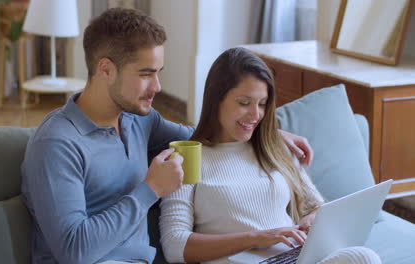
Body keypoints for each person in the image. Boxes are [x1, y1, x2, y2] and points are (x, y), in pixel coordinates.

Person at [21, 8, 314, 264]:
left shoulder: (139, 121)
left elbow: (204, 134)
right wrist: (150, 189)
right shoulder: (57, 144)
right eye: (146, 74)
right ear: (106, 69)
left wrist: (267, 130)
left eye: (159, 72)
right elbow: (74, 251)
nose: (158, 86)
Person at [159, 47, 381, 264]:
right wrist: (255, 238)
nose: (255, 115)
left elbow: (316, 207)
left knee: (363, 257)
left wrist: (311, 222)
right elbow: (175, 245)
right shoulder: (187, 158)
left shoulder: (275, 147)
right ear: (217, 99)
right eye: (244, 103)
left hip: (292, 258)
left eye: (262, 104)